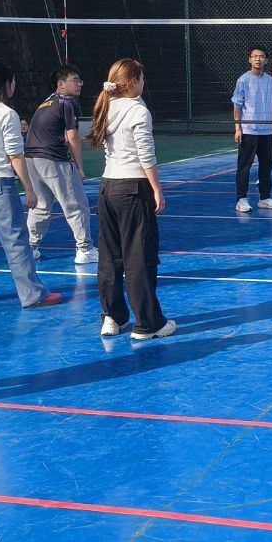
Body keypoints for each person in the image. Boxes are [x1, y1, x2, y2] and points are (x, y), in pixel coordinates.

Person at [0, 63, 63, 309]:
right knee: (16, 240)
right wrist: (29, 188)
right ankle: (33, 294)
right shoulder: (6, 114)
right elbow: (15, 155)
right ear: (6, 85)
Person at [88, 59, 175, 340]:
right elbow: (145, 154)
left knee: (110, 257)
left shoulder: (107, 106)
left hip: (107, 187)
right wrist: (156, 189)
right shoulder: (138, 111)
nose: (144, 83)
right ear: (132, 82)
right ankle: (148, 324)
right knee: (139, 257)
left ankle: (112, 316)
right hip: (133, 188)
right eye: (141, 78)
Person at [25, 64, 95, 266]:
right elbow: (73, 137)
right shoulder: (68, 101)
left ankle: (30, 249)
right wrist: (79, 168)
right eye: (75, 80)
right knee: (76, 204)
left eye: (80, 80)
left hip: (31, 159)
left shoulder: (47, 101)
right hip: (53, 159)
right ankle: (85, 250)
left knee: (40, 206)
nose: (79, 84)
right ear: (61, 85)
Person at [231, 46, 272, 212]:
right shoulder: (243, 80)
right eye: (255, 56)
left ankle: (265, 198)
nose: (258, 59)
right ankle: (241, 199)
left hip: (266, 131)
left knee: (266, 165)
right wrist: (238, 128)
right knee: (244, 166)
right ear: (250, 60)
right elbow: (237, 106)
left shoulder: (271, 81)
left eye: (261, 56)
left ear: (266, 60)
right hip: (248, 131)